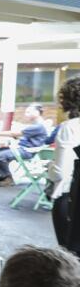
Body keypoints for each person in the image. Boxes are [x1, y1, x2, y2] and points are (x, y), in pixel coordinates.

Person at [49, 78, 80, 247]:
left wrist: (50, 168)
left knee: (70, 256)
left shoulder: (70, 127)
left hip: (69, 198)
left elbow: (60, 171)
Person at [0, 103, 50, 185]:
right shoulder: (37, 125)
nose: (26, 114)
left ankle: (7, 177)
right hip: (23, 148)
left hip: (27, 151)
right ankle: (1, 175)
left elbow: (15, 133)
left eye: (29, 112)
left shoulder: (38, 126)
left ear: (37, 112)